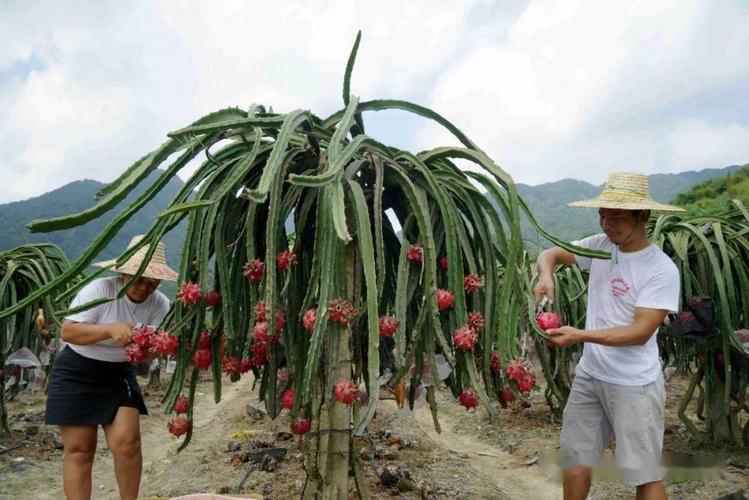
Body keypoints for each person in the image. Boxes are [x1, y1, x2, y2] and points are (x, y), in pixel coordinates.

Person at [533, 172, 684, 500]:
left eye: (616, 217)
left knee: (643, 476)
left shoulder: (660, 269)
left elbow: (640, 333)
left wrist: (580, 336)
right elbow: (551, 254)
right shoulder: (602, 247)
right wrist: (546, 275)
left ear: (642, 215)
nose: (606, 224)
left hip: (634, 385)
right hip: (591, 376)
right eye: (602, 215)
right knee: (575, 462)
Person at [46, 235, 178, 500]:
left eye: (152, 282)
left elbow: (153, 349)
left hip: (118, 373)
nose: (144, 287)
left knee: (128, 442)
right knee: (80, 449)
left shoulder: (161, 304)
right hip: (76, 370)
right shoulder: (99, 290)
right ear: (124, 272)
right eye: (138, 277)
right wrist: (109, 329)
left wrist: (149, 350)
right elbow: (68, 332)